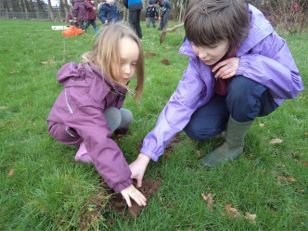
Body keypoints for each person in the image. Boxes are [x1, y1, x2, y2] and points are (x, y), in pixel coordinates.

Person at [129, 0, 304, 187]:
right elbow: (181, 102)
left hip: (259, 96)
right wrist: (145, 155)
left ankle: (233, 145)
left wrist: (245, 65)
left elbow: (293, 85)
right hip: (223, 95)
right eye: (195, 44)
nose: (201, 54)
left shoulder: (262, 36)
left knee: (243, 86)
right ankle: (231, 121)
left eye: (210, 46)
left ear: (233, 37)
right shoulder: (202, 44)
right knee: (196, 128)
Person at [47, 22, 147, 208]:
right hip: (64, 128)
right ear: (102, 57)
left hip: (89, 119)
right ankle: (85, 150)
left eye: (133, 64)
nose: (128, 71)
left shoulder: (108, 76)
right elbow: (99, 138)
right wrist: (122, 182)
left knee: (124, 117)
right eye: (121, 62)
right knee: (110, 122)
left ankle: (98, 136)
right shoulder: (85, 92)